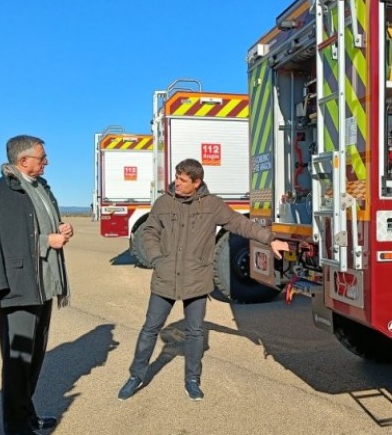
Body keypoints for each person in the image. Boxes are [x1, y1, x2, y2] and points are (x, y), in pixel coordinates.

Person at [118, 158, 289, 402]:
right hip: (165, 278)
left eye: (183, 180)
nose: (177, 183)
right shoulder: (163, 203)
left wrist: (269, 239)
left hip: (197, 279)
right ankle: (135, 376)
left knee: (195, 332)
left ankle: (192, 380)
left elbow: (240, 224)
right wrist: (157, 258)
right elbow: (149, 232)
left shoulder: (212, 205)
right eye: (176, 178)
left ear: (197, 183)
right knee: (150, 329)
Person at [0, 135, 73, 435]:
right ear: (22, 160)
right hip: (18, 287)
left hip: (42, 284)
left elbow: (39, 227)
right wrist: (44, 243)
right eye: (42, 157)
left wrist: (60, 230)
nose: (47, 162)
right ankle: (15, 427)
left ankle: (27, 414)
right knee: (18, 360)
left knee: (34, 355)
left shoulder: (40, 187)